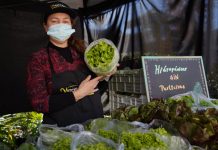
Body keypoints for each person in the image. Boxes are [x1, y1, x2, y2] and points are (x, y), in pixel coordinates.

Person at [26, 1, 114, 126]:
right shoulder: (39, 59)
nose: (60, 25)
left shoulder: (84, 53)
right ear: (45, 27)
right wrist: (78, 93)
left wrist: (105, 75)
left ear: (71, 26)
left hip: (94, 126)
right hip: (63, 132)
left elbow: (95, 89)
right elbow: (39, 103)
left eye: (65, 21)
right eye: (54, 21)